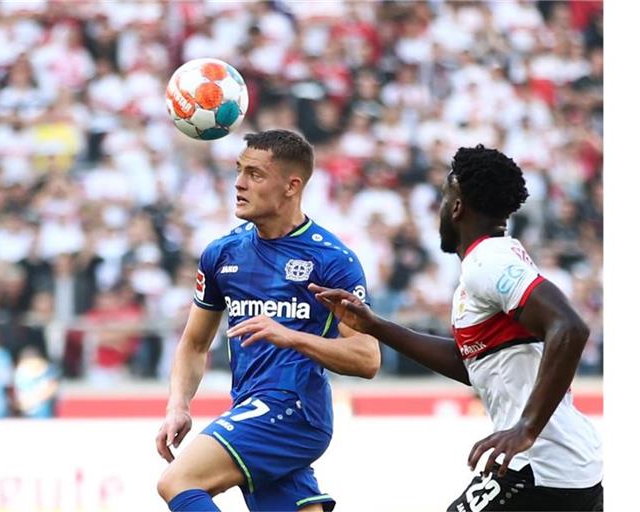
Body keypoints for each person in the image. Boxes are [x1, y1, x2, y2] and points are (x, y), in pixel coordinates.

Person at [310, 144, 603, 511]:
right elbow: (470, 362)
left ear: (457, 207)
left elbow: (571, 327)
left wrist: (526, 428)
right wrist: (375, 326)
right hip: (564, 466)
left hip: (543, 469)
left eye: (445, 198)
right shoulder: (488, 262)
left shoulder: (488, 261)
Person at [155, 129, 380, 512]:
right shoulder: (222, 254)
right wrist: (179, 404)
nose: (239, 184)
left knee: (179, 481)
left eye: (255, 175)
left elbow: (367, 357)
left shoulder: (331, 261)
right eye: (239, 171)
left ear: (292, 186)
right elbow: (194, 344)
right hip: (249, 403)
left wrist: (291, 337)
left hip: (294, 408)